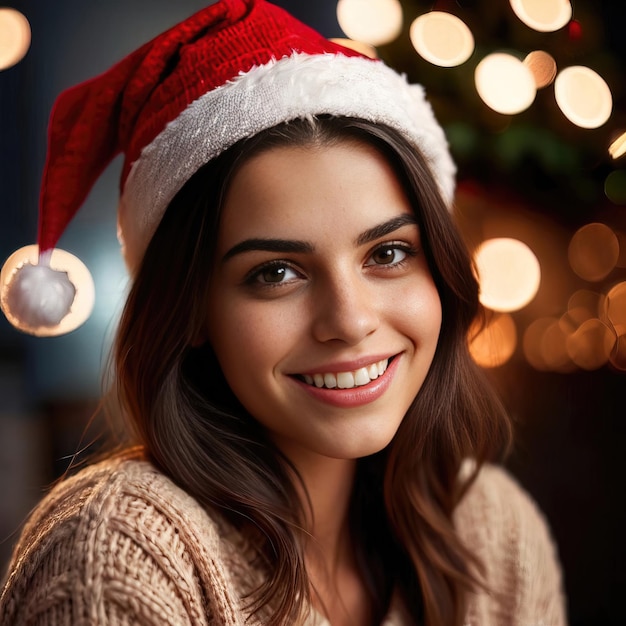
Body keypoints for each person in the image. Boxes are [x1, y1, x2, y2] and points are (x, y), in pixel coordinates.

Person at [0, 1, 566, 624]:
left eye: (389, 252)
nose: (350, 321)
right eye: (276, 273)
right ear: (189, 310)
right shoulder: (114, 560)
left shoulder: (494, 528)